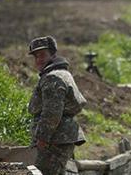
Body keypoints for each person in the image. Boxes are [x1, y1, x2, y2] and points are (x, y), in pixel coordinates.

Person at [27, 36, 86, 175]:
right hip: (60, 137)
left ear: (53, 55)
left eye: (42, 55)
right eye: (35, 56)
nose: (38, 60)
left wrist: (42, 138)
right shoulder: (62, 73)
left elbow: (51, 113)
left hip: (54, 139)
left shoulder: (52, 77)